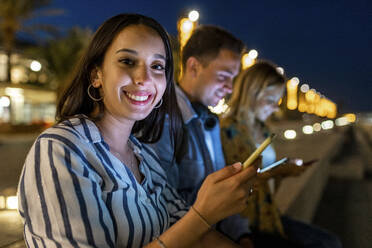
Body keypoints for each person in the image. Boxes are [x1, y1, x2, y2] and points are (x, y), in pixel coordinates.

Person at [17, 14, 259, 248]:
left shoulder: (144, 157)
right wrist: (203, 214)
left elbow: (196, 235)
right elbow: (194, 224)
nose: (144, 78)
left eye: (157, 66)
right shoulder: (62, 149)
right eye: (128, 62)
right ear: (96, 74)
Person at [150, 25, 255, 246]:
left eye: (233, 79)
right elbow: (161, 212)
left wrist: (242, 235)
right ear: (194, 67)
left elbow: (224, 194)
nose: (229, 88)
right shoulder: (163, 122)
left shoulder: (210, 122)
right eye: (224, 76)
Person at [220, 60, 342, 247]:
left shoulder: (265, 130)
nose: (275, 108)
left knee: (329, 241)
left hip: (269, 213)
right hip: (243, 223)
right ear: (252, 94)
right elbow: (235, 183)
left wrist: (282, 171)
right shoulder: (228, 130)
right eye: (270, 101)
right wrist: (278, 172)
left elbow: (267, 182)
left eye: (277, 102)